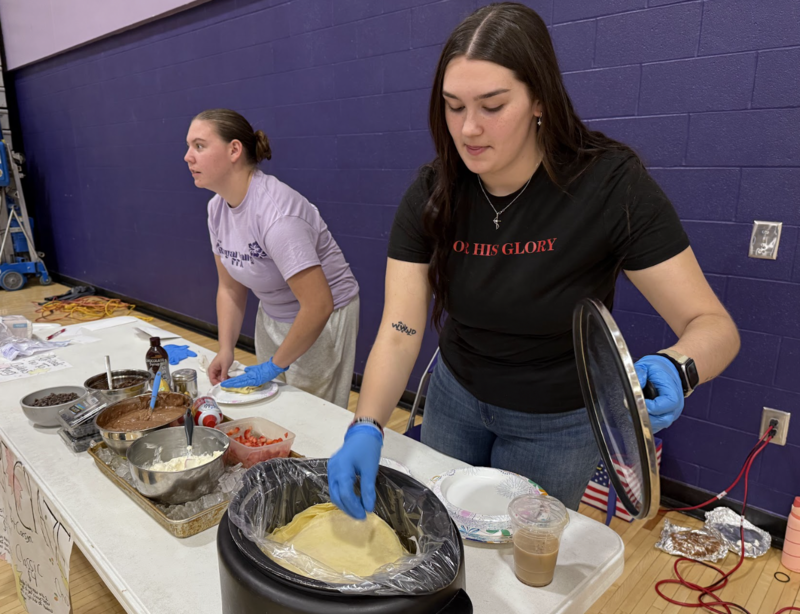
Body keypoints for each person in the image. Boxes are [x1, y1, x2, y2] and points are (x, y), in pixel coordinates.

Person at [328, 3, 740, 519]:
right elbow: (401, 326)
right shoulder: (434, 192)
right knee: (437, 534)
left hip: (557, 422)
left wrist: (679, 368)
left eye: (492, 106)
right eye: (454, 107)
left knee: (515, 569)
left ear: (540, 100)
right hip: (457, 398)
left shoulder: (610, 186)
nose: (469, 129)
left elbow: (714, 326)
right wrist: (366, 425)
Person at [185, 109, 360, 408]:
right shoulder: (216, 208)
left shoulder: (277, 214)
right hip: (273, 314)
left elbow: (318, 305)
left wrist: (273, 366)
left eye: (199, 146)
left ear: (234, 150)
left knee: (311, 418)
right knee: (275, 409)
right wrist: (226, 348)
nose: (188, 157)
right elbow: (230, 288)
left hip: (322, 319)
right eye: (189, 147)